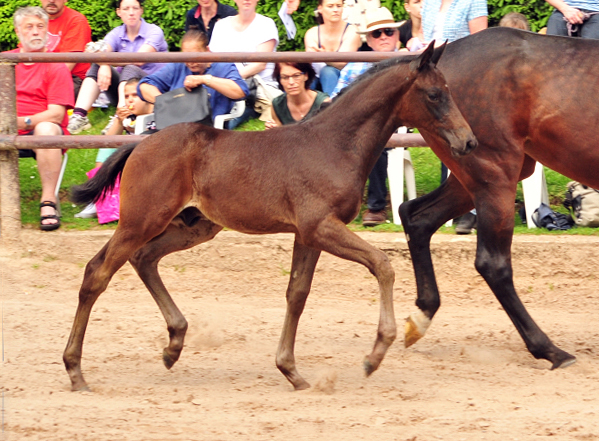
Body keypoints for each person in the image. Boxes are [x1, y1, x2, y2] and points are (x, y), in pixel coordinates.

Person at [330, 7, 403, 226]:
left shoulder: (409, 62)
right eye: (376, 33)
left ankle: (376, 207)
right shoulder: (355, 64)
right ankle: (331, 205)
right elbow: (335, 98)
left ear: (397, 35)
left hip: (392, 127)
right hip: (352, 128)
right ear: (368, 40)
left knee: (375, 142)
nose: (383, 37)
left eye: (388, 31)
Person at [4, 7, 74, 231]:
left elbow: (56, 114)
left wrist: (21, 122)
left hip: (40, 129)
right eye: (29, 27)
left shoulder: (55, 64)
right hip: (6, 125)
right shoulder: (6, 62)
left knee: (46, 129)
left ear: (47, 30)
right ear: (18, 32)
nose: (35, 32)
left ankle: (48, 202)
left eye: (40, 26)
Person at [421, 0, 487, 234]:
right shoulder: (429, 3)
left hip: (463, 77)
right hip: (436, 78)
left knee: (464, 140)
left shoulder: (474, 1)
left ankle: (472, 210)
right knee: (445, 142)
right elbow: (426, 39)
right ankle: (456, 208)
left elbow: (480, 43)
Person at [67, 0, 168, 135]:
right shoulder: (116, 33)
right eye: (126, 9)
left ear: (141, 11)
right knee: (97, 65)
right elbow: (97, 50)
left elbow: (139, 59)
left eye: (135, 8)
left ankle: (120, 115)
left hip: (150, 89)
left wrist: (107, 61)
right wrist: (103, 63)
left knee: (130, 67)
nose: (131, 13)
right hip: (125, 91)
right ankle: (79, 115)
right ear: (118, 12)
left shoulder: (154, 31)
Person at [75, 77, 154, 220]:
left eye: (135, 95)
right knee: (108, 148)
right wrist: (119, 121)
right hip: (133, 162)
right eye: (126, 96)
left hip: (154, 163)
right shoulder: (128, 118)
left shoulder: (158, 115)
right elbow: (108, 142)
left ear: (147, 97)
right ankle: (98, 199)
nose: (130, 100)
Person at [137, 30, 249, 125]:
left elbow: (240, 92)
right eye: (186, 57)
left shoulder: (223, 67)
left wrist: (205, 79)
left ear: (207, 51)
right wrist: (167, 103)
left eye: (196, 56)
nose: (191, 62)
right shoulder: (177, 66)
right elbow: (144, 86)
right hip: (173, 127)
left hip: (207, 130)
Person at [208, 0, 279, 129]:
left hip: (254, 88)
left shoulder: (266, 24)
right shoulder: (221, 25)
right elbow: (214, 60)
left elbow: (259, 65)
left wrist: (230, 80)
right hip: (223, 86)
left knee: (225, 125)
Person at [304, 0, 361, 95]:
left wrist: (323, 57)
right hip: (316, 79)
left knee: (328, 72)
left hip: (345, 79)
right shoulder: (312, 33)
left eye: (338, 6)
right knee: (305, 77)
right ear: (320, 9)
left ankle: (334, 106)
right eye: (330, 6)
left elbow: (343, 62)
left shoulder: (352, 30)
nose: (335, 10)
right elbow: (310, 60)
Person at [41, 0, 92, 98]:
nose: (52, 1)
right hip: (40, 74)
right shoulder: (35, 19)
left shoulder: (76, 20)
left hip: (72, 78)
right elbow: (24, 52)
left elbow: (67, 66)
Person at [265, 62, 329, 128]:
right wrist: (272, 130)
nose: (291, 82)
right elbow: (280, 135)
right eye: (285, 77)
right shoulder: (277, 105)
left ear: (306, 76)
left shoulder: (323, 103)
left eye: (296, 76)